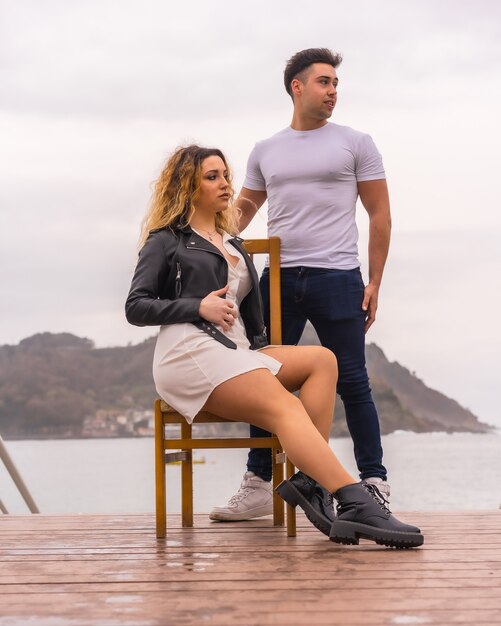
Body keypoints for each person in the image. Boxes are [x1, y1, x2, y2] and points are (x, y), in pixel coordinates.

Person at [125, 144, 423, 548]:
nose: (225, 183)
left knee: (322, 360)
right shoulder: (167, 241)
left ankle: (310, 482)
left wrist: (261, 349)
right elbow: (136, 306)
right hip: (190, 353)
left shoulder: (233, 242)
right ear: (187, 186)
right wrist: (198, 305)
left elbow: (249, 319)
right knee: (285, 404)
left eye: (225, 175)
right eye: (212, 177)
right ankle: (352, 499)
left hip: (236, 352)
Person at [210, 48, 393, 525]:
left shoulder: (356, 142)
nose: (334, 91)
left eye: (336, 84)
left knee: (354, 380)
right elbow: (240, 215)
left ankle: (374, 484)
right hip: (278, 278)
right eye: (325, 82)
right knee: (260, 376)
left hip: (337, 277)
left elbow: (379, 213)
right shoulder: (266, 149)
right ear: (297, 86)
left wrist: (374, 280)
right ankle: (257, 486)